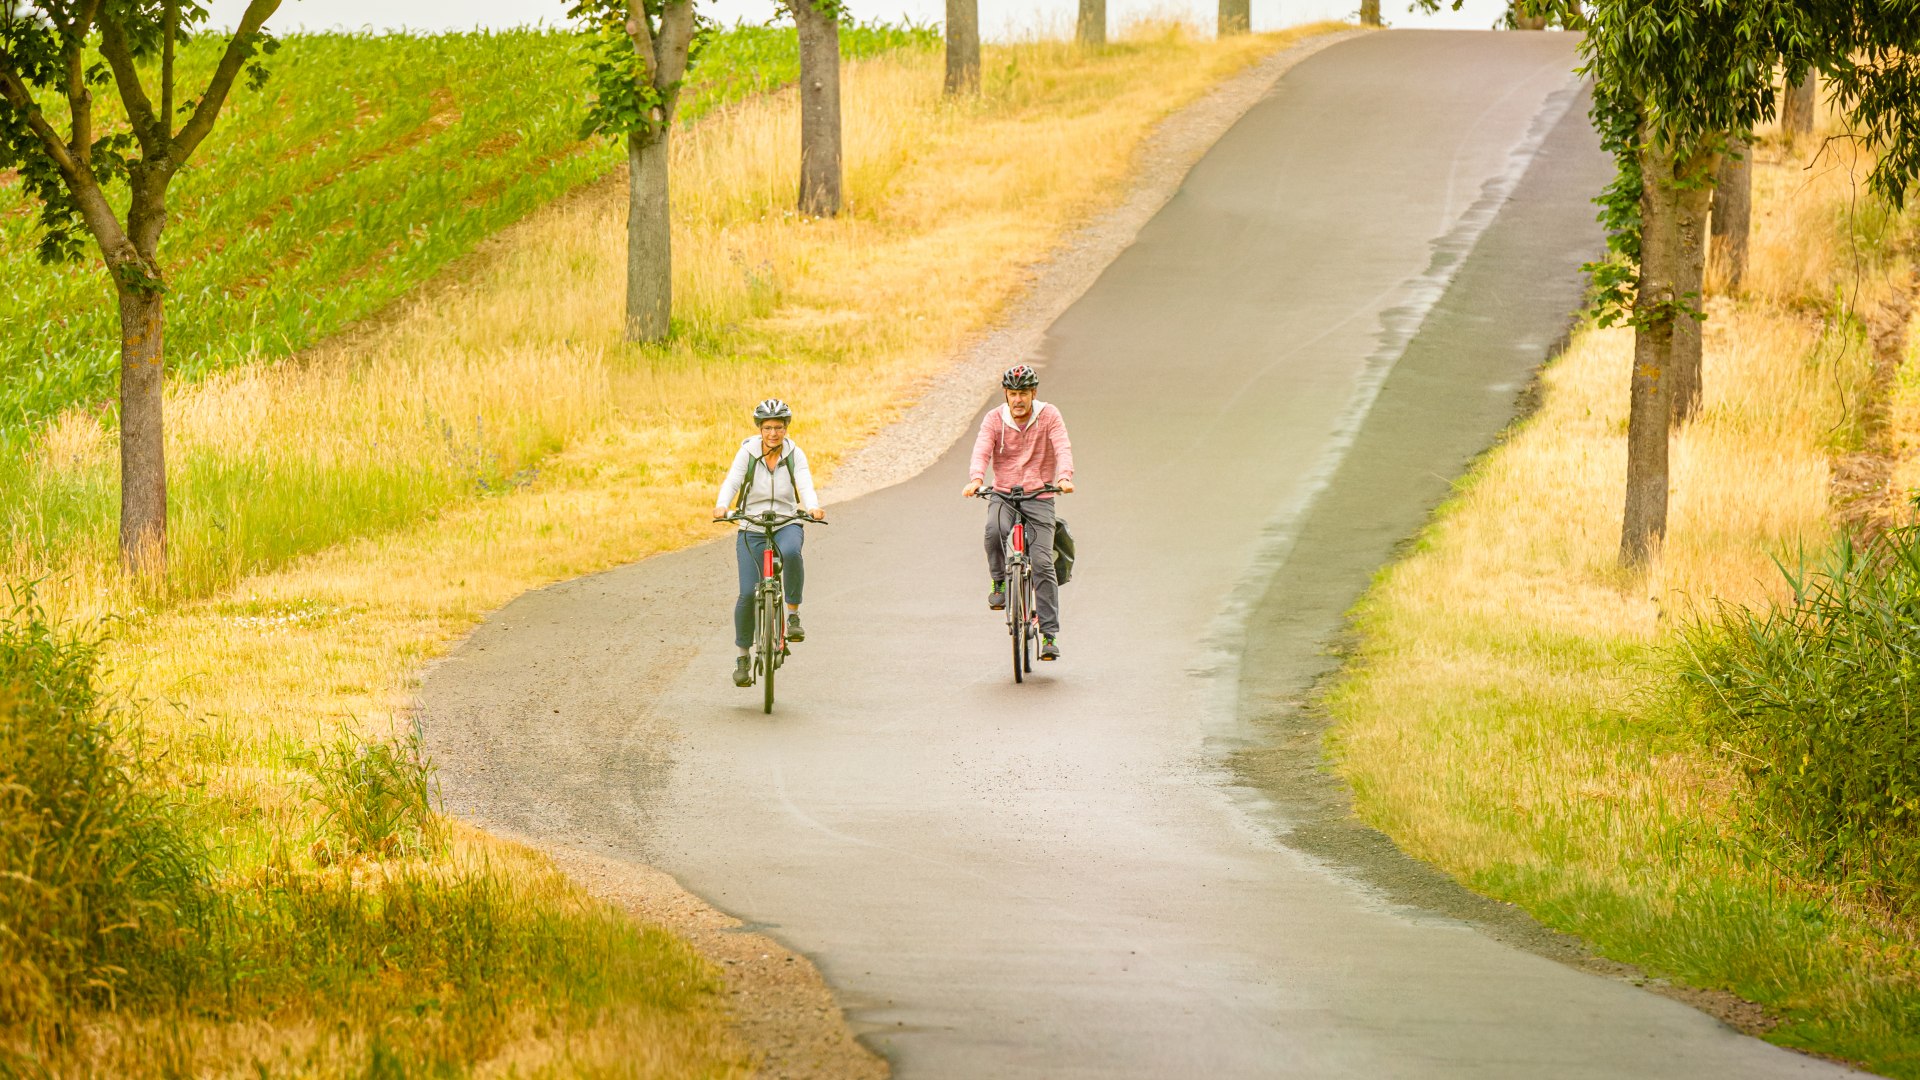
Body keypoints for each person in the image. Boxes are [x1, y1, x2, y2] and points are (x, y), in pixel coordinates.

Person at [961, 364, 1075, 660]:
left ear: (1033, 393)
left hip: (1039, 495)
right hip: (1004, 493)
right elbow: (982, 450)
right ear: (1006, 395)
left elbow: (1062, 447)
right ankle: (999, 580)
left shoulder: (1049, 415)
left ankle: (1049, 634)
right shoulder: (994, 419)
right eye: (1013, 394)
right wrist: (976, 479)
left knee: (1043, 564)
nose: (1018, 400)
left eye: (1023, 393)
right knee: (993, 531)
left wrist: (1064, 477)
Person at [713, 399, 825, 687]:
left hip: (786, 521)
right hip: (752, 524)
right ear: (759, 429)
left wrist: (813, 506)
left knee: (791, 553)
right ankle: (742, 657)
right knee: (747, 594)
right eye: (767, 428)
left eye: (778, 427)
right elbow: (733, 481)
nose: (773, 433)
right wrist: (722, 505)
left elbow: (805, 483)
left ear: (786, 428)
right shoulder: (747, 453)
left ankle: (793, 615)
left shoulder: (794, 454)